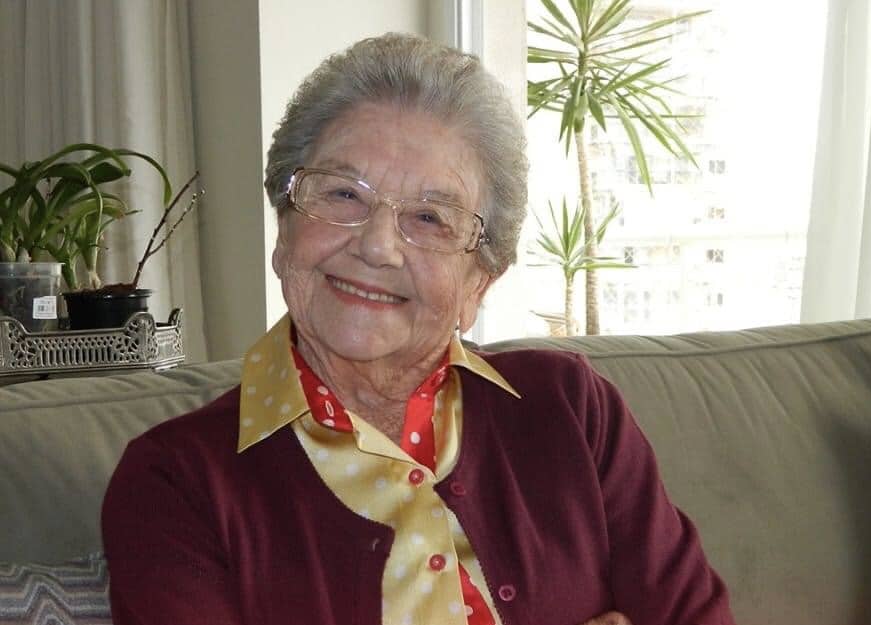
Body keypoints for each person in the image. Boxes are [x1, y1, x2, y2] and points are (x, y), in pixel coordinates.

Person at [102, 33, 735, 625]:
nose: (377, 246)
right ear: (285, 224)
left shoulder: (572, 410)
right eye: (343, 194)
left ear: (479, 281)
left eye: (430, 218)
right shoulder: (175, 482)